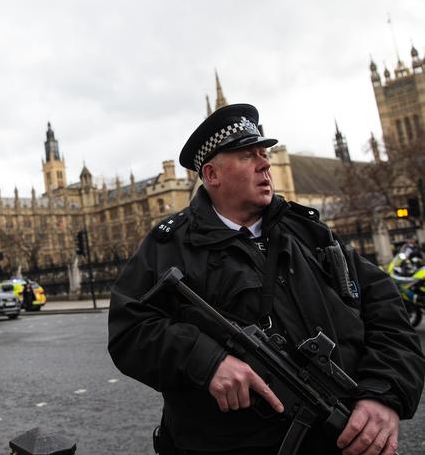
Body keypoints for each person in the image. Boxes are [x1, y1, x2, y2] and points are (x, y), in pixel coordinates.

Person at [107, 103, 425, 455]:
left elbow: (385, 307)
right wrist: (205, 360)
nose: (265, 163)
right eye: (248, 155)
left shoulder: (309, 232)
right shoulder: (169, 245)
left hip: (342, 436)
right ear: (212, 175)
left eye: (264, 153)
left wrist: (383, 392)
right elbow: (129, 331)